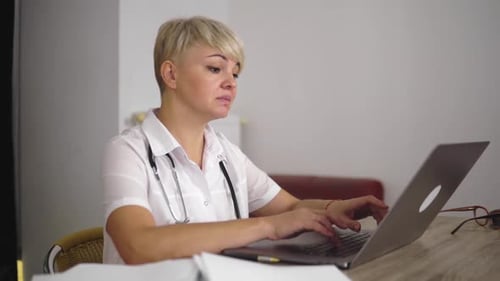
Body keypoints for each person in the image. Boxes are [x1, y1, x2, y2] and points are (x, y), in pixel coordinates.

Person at [102, 15, 388, 265]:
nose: (231, 82)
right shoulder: (128, 151)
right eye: (216, 68)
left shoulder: (225, 152)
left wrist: (332, 208)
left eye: (235, 72)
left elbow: (288, 208)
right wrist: (267, 227)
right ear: (171, 74)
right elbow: (137, 246)